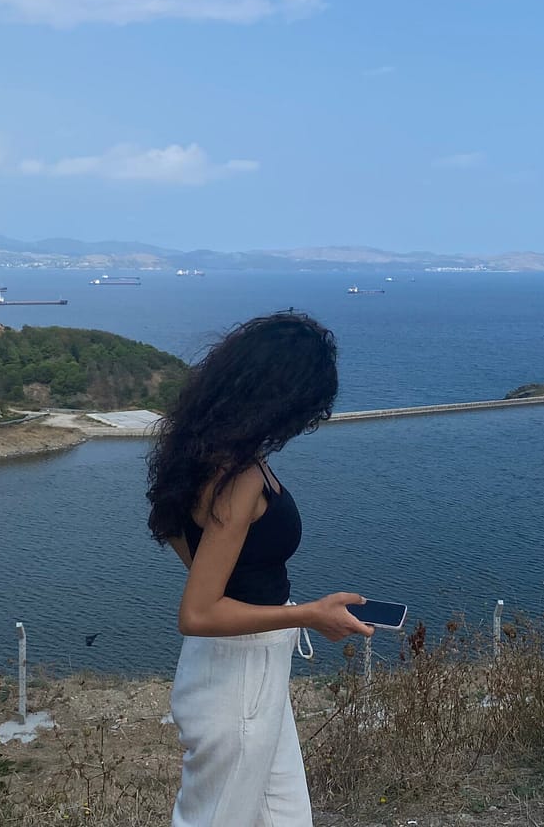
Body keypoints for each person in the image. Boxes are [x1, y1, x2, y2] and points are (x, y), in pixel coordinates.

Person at [146, 311, 372, 827]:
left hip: (246, 666)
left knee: (285, 817)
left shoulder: (201, 455)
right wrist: (310, 614)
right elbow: (198, 613)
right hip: (238, 677)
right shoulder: (240, 477)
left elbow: (197, 557)